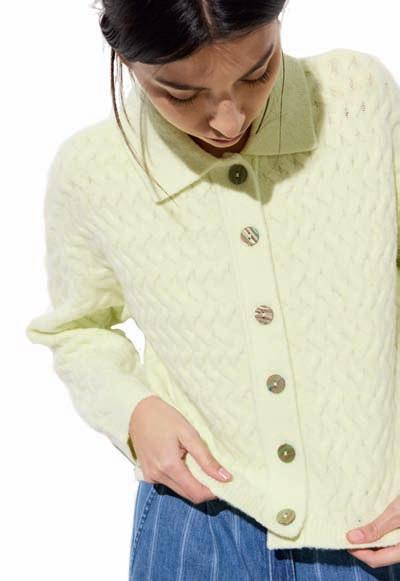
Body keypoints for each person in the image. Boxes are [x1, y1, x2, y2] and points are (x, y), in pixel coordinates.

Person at [25, 0, 400, 579]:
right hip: (195, 521)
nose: (229, 120)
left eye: (258, 71)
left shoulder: (357, 99)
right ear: (123, 55)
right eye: (180, 94)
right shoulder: (92, 172)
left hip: (370, 526)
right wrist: (133, 412)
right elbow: (77, 328)